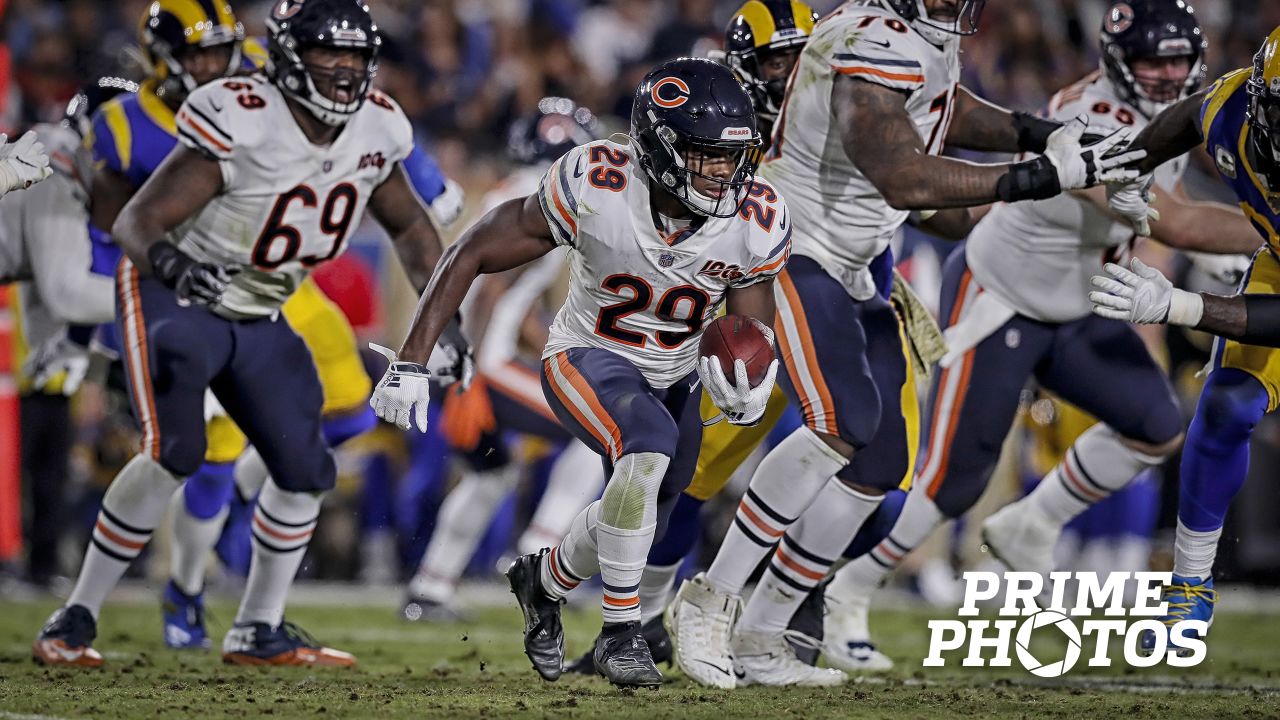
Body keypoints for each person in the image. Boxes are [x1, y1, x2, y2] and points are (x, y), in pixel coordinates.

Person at [666, 0, 1146, 688]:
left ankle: (762, 633)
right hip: (793, 244)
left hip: (854, 263)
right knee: (842, 422)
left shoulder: (912, 40)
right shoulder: (873, 38)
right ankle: (709, 599)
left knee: (881, 463)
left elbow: (948, 106)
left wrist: (1050, 134)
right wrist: (1048, 171)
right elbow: (904, 175)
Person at [822, 0, 1263, 665]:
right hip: (1004, 296)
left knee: (1155, 423)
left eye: (1179, 59)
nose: (1170, 74)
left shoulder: (1170, 112)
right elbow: (1179, 223)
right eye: (1153, 60)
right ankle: (846, 591)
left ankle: (1034, 521)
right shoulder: (1098, 117)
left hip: (1080, 299)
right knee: (952, 482)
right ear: (1118, 62)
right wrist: (1265, 238)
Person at [32, 0, 465, 668]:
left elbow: (410, 227)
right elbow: (138, 221)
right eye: (330, 53)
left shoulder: (376, 124)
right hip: (177, 293)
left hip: (266, 306)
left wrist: (447, 322)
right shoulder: (241, 113)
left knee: (306, 468)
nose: (346, 69)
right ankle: (75, 616)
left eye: (356, 55)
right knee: (174, 451)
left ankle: (257, 627)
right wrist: (177, 265)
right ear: (291, 56)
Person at [369, 57, 790, 686]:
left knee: (648, 511)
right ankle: (621, 634)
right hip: (588, 355)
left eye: (732, 156)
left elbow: (751, 328)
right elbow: (473, 250)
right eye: (706, 155)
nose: (724, 172)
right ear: (659, 146)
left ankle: (542, 580)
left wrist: (750, 382)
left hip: (674, 374)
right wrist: (412, 358)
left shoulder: (754, 219)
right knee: (643, 454)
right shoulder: (599, 183)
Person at [1087, 24, 1280, 653]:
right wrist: (1132, 168)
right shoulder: (1234, 111)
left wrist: (1179, 304)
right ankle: (1190, 588)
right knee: (1225, 404)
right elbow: (1188, 117)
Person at [402, 98, 605, 621]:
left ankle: (430, 588)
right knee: (600, 433)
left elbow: (517, 307)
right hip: (479, 363)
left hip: (464, 357)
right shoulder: (548, 196)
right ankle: (538, 562)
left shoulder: (510, 189)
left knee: (491, 475)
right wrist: (469, 371)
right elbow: (492, 288)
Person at [4, 79, 131, 587]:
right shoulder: (55, 168)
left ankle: (37, 564)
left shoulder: (64, 161)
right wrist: (159, 297)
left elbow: (38, 283)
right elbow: (65, 293)